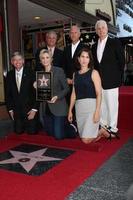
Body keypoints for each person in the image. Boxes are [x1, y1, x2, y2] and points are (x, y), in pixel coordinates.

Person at [91, 20, 125, 140]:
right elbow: (95, 65)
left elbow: (122, 62)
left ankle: (113, 129)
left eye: (103, 28)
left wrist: (118, 77)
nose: (101, 30)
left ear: (107, 29)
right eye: (98, 28)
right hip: (99, 82)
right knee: (102, 105)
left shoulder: (115, 42)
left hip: (112, 81)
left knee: (112, 106)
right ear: (96, 31)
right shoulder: (94, 46)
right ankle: (104, 127)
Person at [68, 48, 102, 144]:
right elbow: (74, 93)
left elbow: (99, 93)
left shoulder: (94, 73)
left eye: (87, 57)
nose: (84, 59)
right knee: (83, 136)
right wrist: (70, 110)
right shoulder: (75, 75)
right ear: (78, 59)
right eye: (82, 56)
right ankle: (99, 131)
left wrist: (97, 111)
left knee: (85, 140)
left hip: (92, 107)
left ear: (90, 60)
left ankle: (101, 131)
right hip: (79, 108)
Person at [37, 49, 69, 140]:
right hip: (45, 108)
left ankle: (71, 128)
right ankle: (61, 126)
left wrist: (57, 96)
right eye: (43, 58)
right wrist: (36, 86)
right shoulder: (40, 74)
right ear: (40, 60)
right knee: (50, 133)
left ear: (51, 59)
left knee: (58, 136)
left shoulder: (59, 71)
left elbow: (67, 88)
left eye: (47, 57)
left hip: (58, 106)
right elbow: (41, 93)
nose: (45, 60)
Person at [5, 52, 39, 134]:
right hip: (17, 111)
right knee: (18, 132)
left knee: (32, 133)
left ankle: (38, 122)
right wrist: (10, 110)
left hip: (30, 111)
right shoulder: (9, 75)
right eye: (15, 60)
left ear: (23, 61)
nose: (17, 62)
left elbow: (37, 93)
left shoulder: (31, 73)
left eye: (19, 59)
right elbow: (8, 95)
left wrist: (34, 110)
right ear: (12, 62)